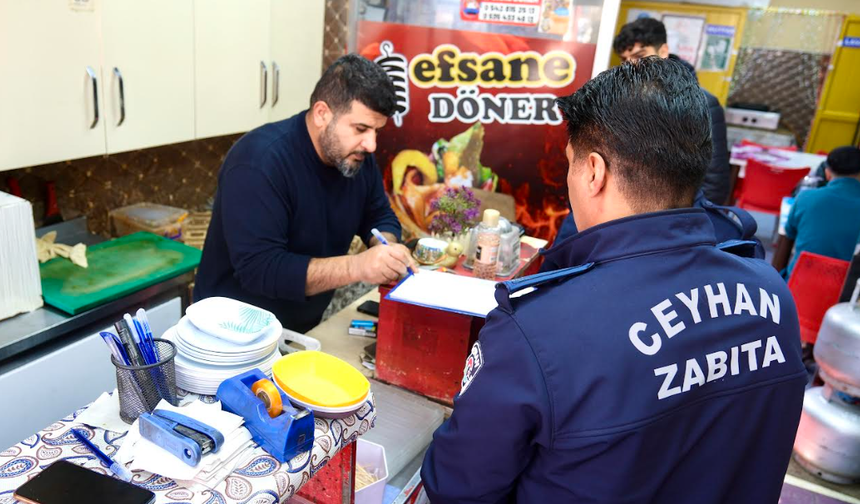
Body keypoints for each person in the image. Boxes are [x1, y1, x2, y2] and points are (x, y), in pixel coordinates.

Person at [421, 57, 806, 503]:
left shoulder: (540, 330)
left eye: (569, 164)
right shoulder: (772, 294)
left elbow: (455, 486)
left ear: (593, 172)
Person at [194, 55, 417, 333]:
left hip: (298, 330)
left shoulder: (355, 156)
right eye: (361, 129)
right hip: (229, 336)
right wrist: (358, 267)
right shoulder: (258, 162)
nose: (371, 144)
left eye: (377, 131)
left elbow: (378, 213)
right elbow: (262, 270)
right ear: (322, 113)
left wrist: (387, 247)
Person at [551, 17, 733, 246]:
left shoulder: (702, 104)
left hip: (666, 229)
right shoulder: (615, 100)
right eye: (625, 60)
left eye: (639, 55)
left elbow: (715, 183)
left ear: (664, 50)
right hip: (611, 217)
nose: (632, 65)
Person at [784, 146, 860, 277]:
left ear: (827, 173)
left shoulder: (805, 198)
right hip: (845, 292)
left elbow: (789, 234)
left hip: (798, 284)